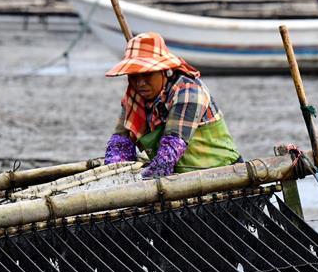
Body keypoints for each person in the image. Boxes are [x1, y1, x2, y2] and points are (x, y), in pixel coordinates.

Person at [102, 32, 241, 178]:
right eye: (134, 76)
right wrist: (114, 174)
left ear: (164, 71)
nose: (140, 83)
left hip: (223, 174)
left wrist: (141, 179)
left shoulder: (188, 91)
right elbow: (120, 143)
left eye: (147, 74)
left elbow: (168, 154)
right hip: (181, 178)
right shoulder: (135, 96)